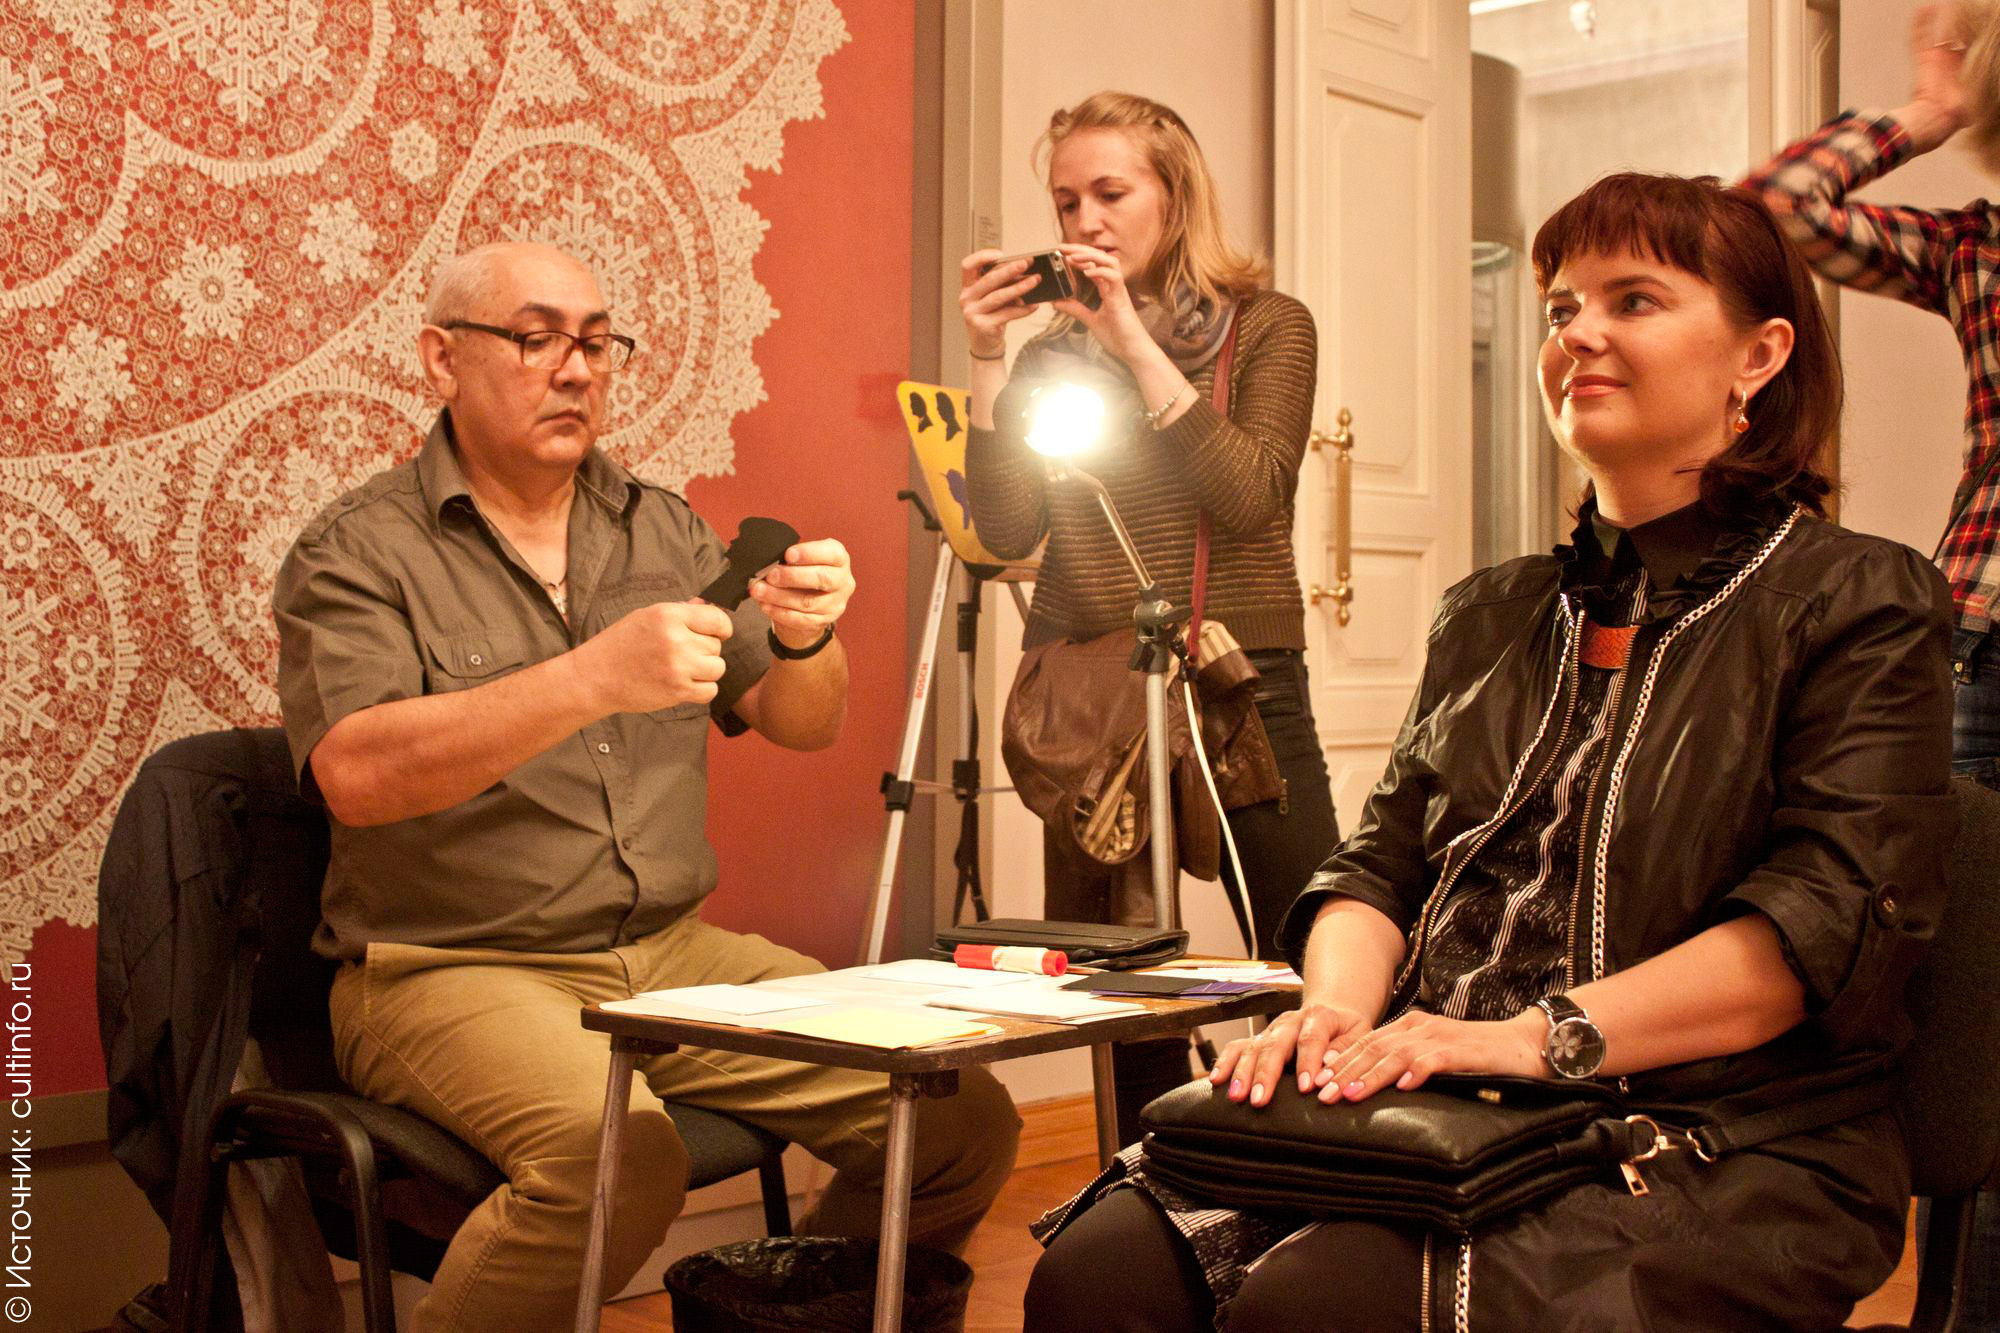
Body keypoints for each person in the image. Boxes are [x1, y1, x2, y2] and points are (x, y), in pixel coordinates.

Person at [1024, 173, 1955, 1330]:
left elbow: (1814, 926)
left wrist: (1530, 1038)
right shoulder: (1490, 611)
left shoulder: (1859, 601)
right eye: (1561, 308)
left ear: (1757, 357)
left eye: (1632, 300)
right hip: (1444, 1096)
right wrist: (1335, 1012)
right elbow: (1377, 864)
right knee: (1097, 1273)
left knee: (1316, 1307)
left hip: (1717, 1133)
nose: (1578, 334)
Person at [272, 241, 1019, 1332]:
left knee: (960, 1116)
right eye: (535, 339)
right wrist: (588, 678)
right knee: (616, 1155)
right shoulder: (360, 548)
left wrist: (808, 638)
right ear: (442, 359)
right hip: (449, 964)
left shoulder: (659, 527)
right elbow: (355, 773)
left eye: (596, 341)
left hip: (669, 953)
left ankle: (793, 1316)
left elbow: (803, 722)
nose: (576, 368)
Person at [961, 91, 1340, 1142]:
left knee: (1309, 943)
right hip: (1092, 686)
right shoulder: (1049, 355)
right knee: (1119, 978)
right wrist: (987, 358)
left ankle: (1318, 1178)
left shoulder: (1268, 326)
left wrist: (1130, 340)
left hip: (1235, 671)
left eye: (1110, 193)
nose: (1084, 220)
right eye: (1065, 201)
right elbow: (1004, 526)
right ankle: (1145, 1190)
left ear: (1174, 195)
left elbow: (1249, 494)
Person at [1745, 6, 2000, 1319]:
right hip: (1989, 642)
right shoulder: (1978, 246)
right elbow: (1772, 214)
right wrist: (1932, 110)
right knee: (1971, 1002)